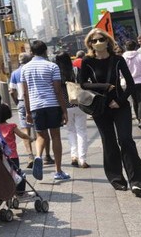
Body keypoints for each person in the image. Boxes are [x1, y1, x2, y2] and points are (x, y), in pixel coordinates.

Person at [80, 29, 141, 196]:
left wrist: (119, 100)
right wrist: (104, 87)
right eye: (94, 40)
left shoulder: (118, 59)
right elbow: (82, 84)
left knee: (125, 139)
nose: (98, 43)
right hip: (100, 107)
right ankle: (117, 179)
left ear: (107, 41)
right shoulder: (87, 61)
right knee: (108, 142)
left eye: (101, 39)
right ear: (90, 44)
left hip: (120, 105)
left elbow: (131, 85)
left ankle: (137, 181)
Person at [21, 40, 70, 181]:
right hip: (52, 105)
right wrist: (64, 110)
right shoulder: (52, 66)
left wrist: (28, 112)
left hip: (36, 106)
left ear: (31, 52)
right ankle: (58, 171)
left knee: (41, 136)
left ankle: (38, 156)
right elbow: (57, 90)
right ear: (45, 51)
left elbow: (25, 93)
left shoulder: (25, 68)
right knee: (55, 136)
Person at [56, 51, 89, 168]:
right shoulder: (76, 70)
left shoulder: (56, 73)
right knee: (81, 131)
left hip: (65, 107)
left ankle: (74, 156)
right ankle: (82, 159)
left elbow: (57, 91)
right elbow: (84, 85)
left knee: (70, 131)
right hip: (79, 104)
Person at [9, 52, 37, 168]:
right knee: (40, 129)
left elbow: (11, 90)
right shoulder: (32, 70)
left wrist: (16, 102)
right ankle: (44, 155)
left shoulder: (15, 73)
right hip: (35, 102)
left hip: (21, 103)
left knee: (26, 129)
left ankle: (30, 155)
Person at [0, 103, 31, 194]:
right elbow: (22, 135)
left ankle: (6, 190)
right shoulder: (12, 126)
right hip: (12, 156)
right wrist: (30, 138)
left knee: (4, 174)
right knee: (17, 173)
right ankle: (20, 192)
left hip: (0, 157)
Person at [124, 40, 141, 133]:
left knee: (134, 100)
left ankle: (138, 119)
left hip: (130, 82)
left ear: (126, 47)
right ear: (135, 46)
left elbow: (121, 71)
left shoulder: (123, 57)